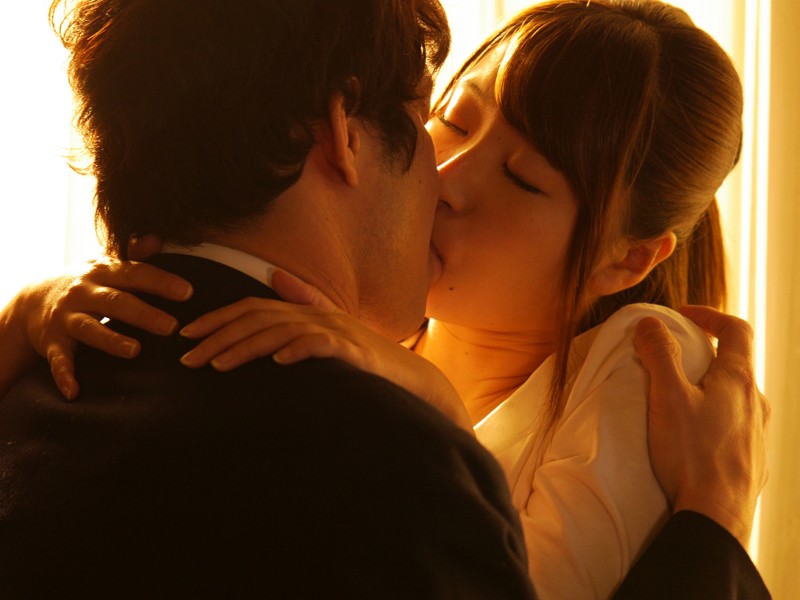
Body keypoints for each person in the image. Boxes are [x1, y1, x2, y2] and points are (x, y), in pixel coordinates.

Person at [0, 0, 770, 598]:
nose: (448, 180)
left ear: (628, 258)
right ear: (346, 135)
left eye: (524, 179)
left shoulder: (646, 363)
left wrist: (717, 517)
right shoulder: (330, 367)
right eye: (450, 121)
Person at [0, 0, 536, 597]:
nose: (445, 183)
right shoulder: (398, 475)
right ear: (344, 132)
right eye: (431, 120)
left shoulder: (28, 393)